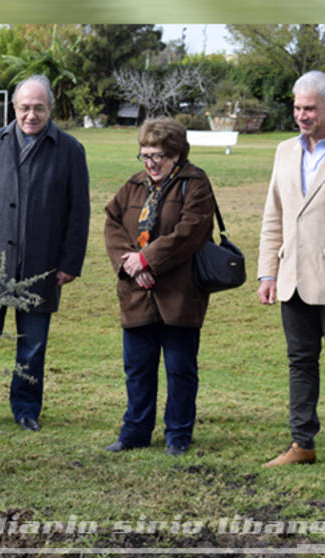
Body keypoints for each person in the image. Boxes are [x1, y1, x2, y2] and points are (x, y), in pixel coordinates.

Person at [0, 75, 90, 433]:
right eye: (24, 107)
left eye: (38, 108)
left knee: (32, 346)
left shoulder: (71, 151)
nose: (31, 115)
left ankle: (26, 408)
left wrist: (70, 263)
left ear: (50, 109)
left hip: (42, 265)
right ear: (13, 108)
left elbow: (79, 214)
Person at [102, 118, 214, 457]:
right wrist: (131, 266)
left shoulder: (195, 183)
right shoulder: (134, 185)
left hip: (180, 294)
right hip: (137, 294)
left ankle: (178, 434)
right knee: (137, 368)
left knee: (180, 368)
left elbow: (190, 232)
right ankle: (135, 431)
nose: (151, 163)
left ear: (177, 154)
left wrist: (147, 259)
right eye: (145, 155)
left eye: (159, 156)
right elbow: (112, 223)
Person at [257, 70, 325, 468]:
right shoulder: (284, 150)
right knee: (301, 363)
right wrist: (268, 274)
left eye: (310, 108)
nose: (302, 115)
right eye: (298, 107)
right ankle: (302, 444)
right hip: (294, 281)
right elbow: (274, 216)